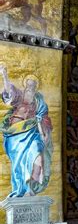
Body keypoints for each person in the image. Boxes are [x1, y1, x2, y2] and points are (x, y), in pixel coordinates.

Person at [0, 66, 53, 197]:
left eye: (33, 85)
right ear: (25, 85)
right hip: (16, 134)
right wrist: (5, 76)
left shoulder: (39, 101)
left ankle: (31, 189)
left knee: (39, 159)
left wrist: (45, 132)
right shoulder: (19, 96)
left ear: (36, 87)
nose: (30, 87)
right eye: (28, 84)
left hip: (33, 133)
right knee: (18, 163)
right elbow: (8, 93)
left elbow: (44, 117)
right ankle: (20, 189)